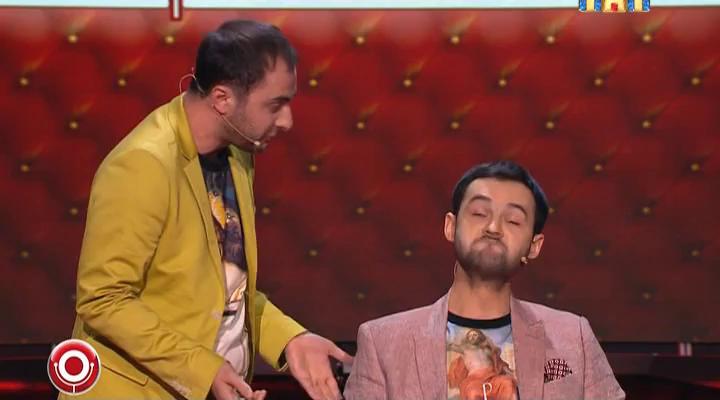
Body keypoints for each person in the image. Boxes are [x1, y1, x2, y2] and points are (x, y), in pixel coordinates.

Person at [62, 20, 351, 400]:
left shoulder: (238, 153)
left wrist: (289, 339)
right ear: (222, 99)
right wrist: (202, 369)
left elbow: (222, 288)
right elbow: (103, 300)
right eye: (274, 105)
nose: (287, 121)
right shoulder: (143, 164)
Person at [344, 160, 625, 400]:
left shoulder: (573, 337)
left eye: (513, 220)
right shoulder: (382, 343)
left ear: (534, 246)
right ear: (450, 227)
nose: (493, 227)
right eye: (479, 213)